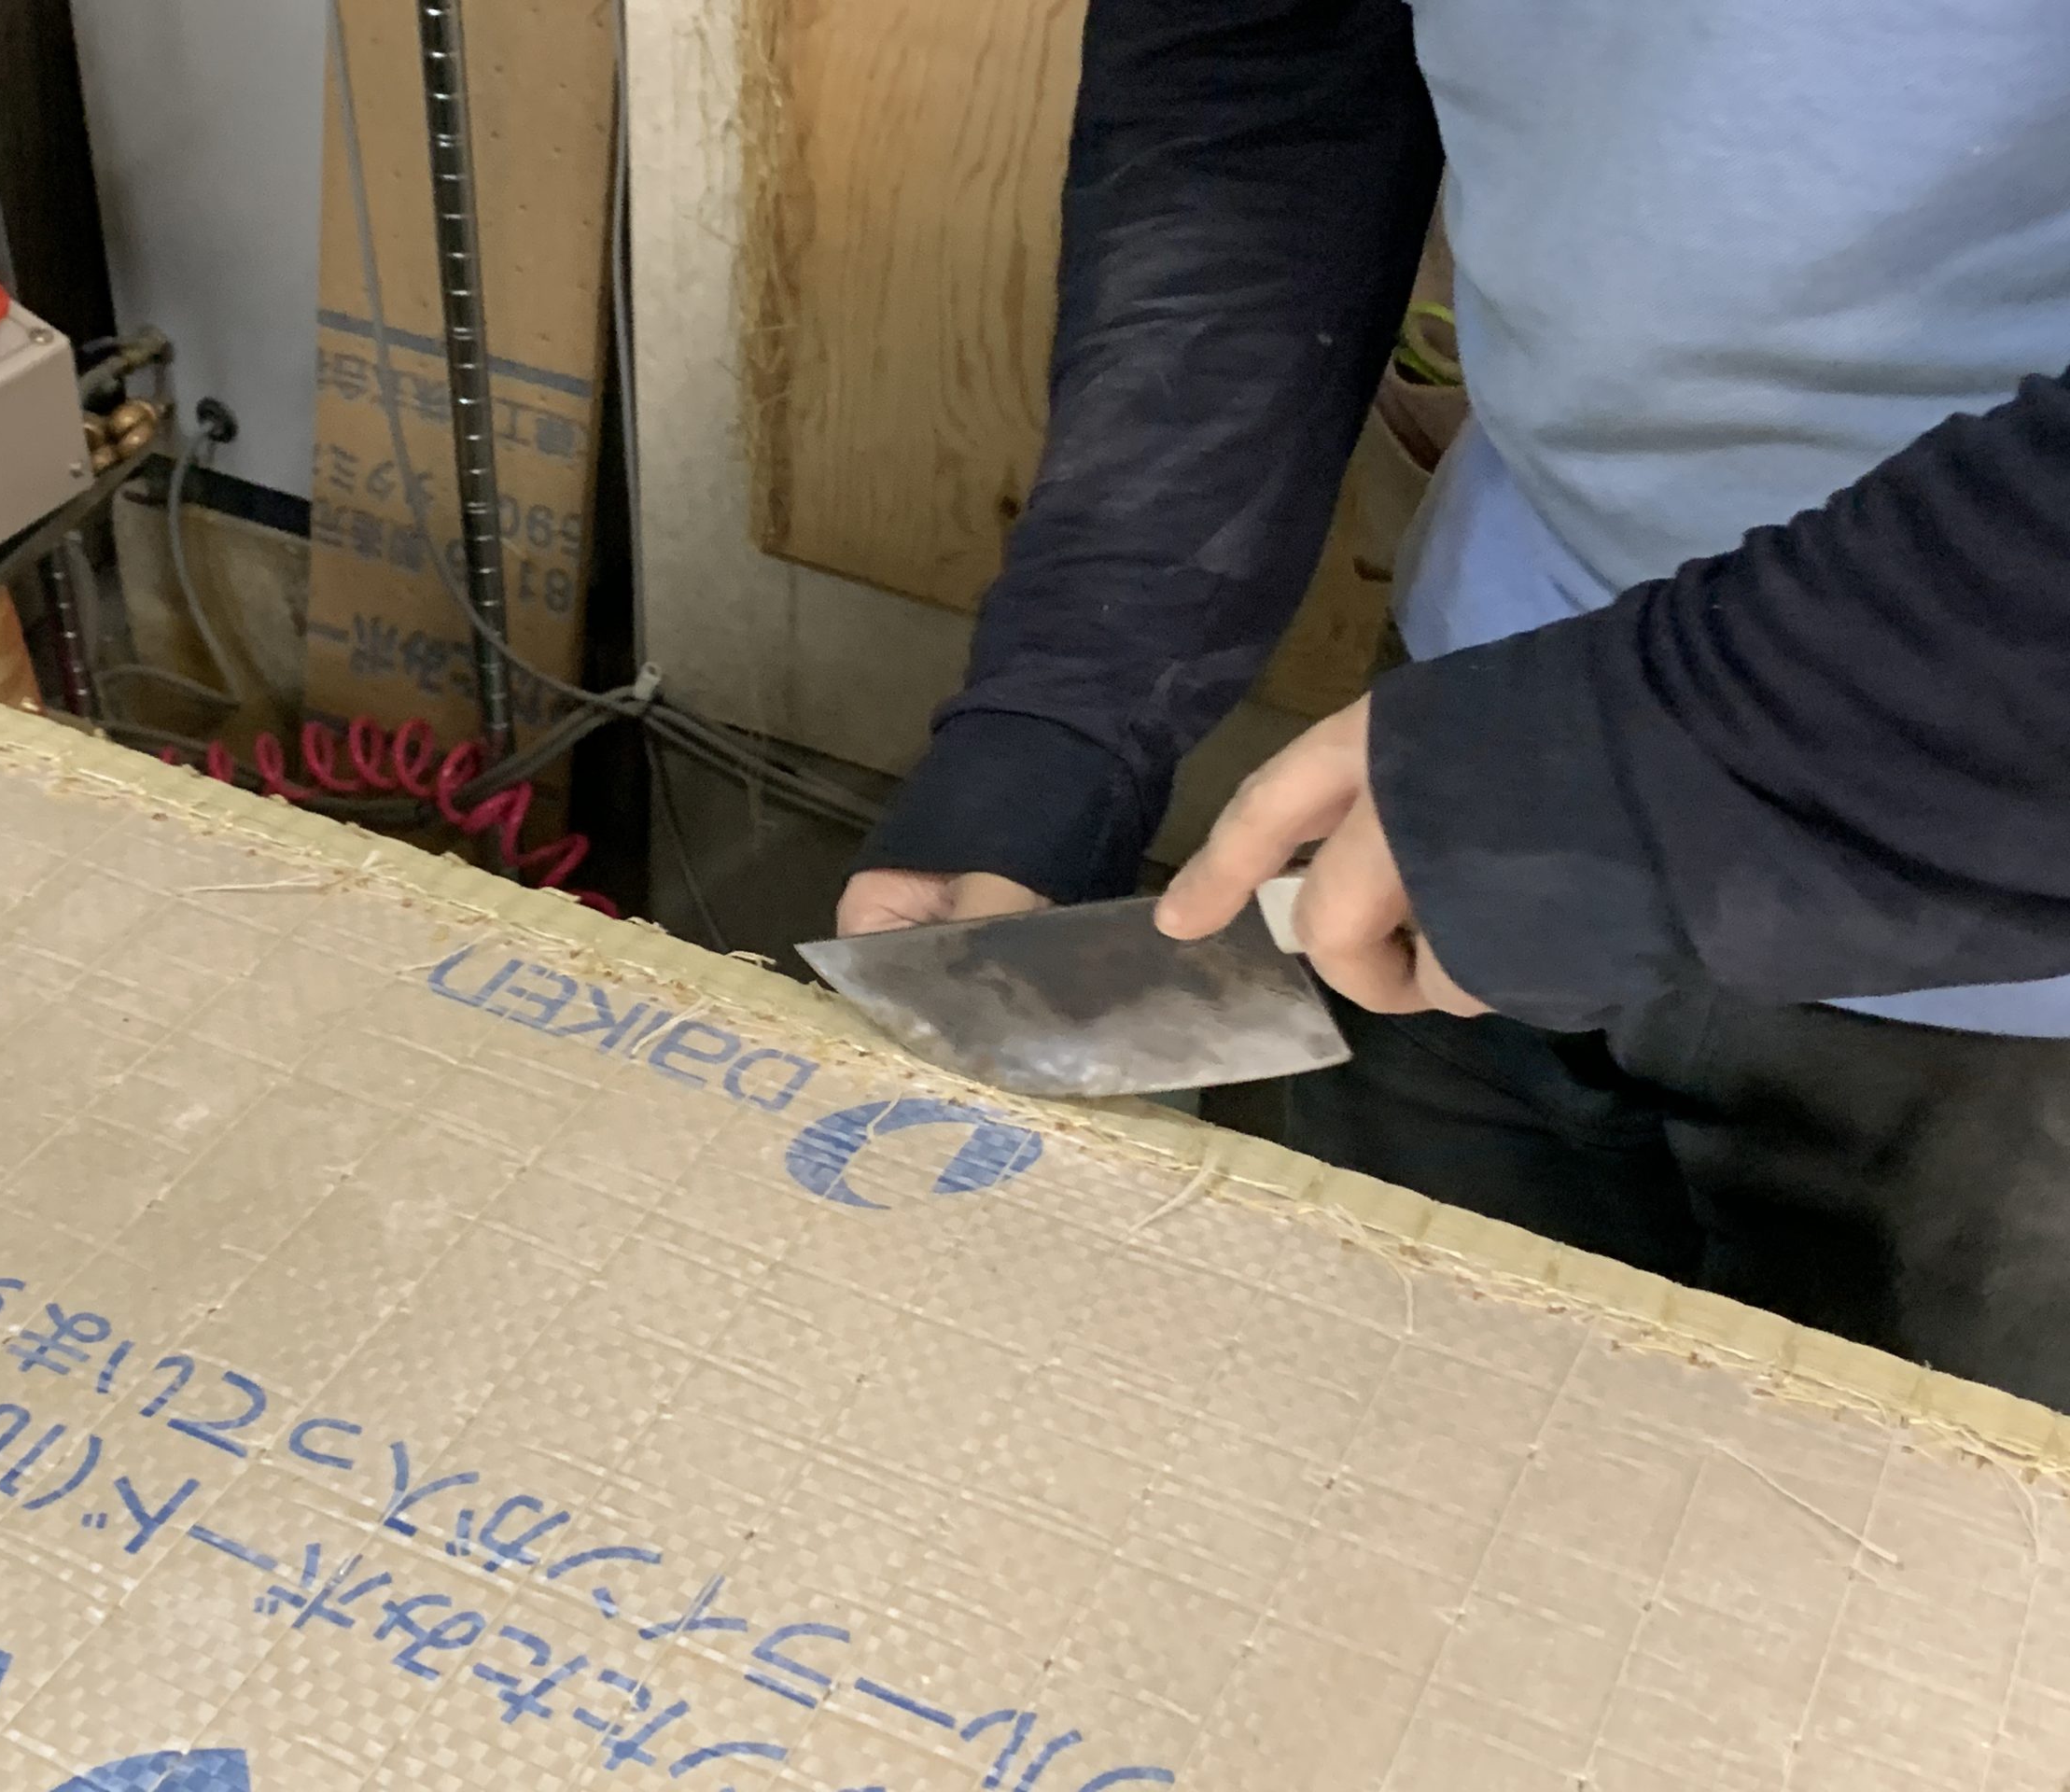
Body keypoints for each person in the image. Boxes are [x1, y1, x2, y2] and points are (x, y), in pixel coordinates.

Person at [836, 0, 2070, 1406]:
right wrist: (1063, 716)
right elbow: (1262, 93)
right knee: (1369, 1440)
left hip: (2005, 946)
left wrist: (1663, 762)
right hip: (1457, 765)